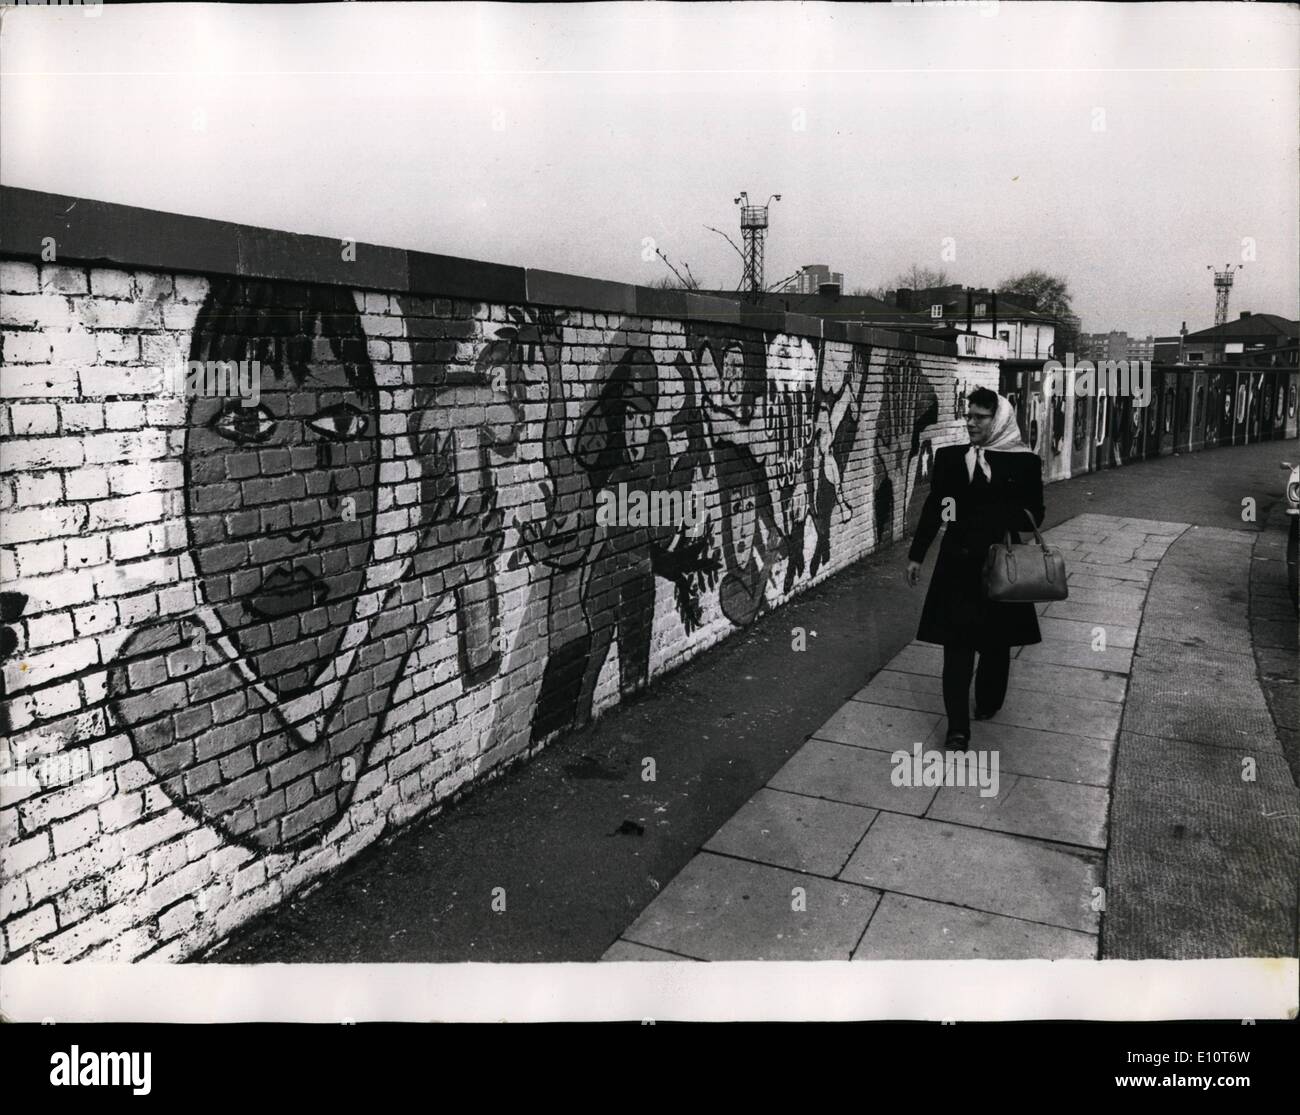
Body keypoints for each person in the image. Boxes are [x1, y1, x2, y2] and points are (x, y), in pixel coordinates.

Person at [905, 388, 1044, 750]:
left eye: (979, 417)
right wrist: (918, 554)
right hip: (958, 567)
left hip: (1002, 565)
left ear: (997, 420)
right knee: (957, 649)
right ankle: (957, 729)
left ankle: (988, 700)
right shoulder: (952, 458)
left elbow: (1035, 516)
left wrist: (996, 512)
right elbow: (938, 507)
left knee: (997, 646)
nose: (970, 422)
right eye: (968, 415)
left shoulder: (1024, 462)